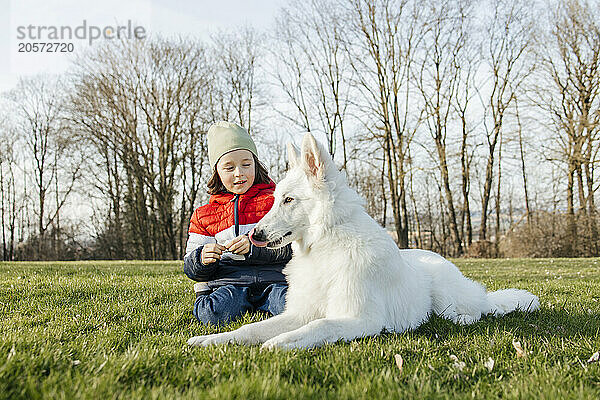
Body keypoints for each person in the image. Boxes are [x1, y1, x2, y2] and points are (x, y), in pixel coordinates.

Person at [183, 121, 292, 326]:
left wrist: (254, 248)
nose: (239, 173)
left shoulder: (275, 201)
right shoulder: (204, 215)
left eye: (246, 164)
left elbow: (290, 249)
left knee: (292, 309)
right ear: (217, 172)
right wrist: (202, 258)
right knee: (213, 316)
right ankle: (203, 294)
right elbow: (191, 268)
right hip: (231, 282)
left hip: (275, 280)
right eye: (229, 167)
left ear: (256, 164)